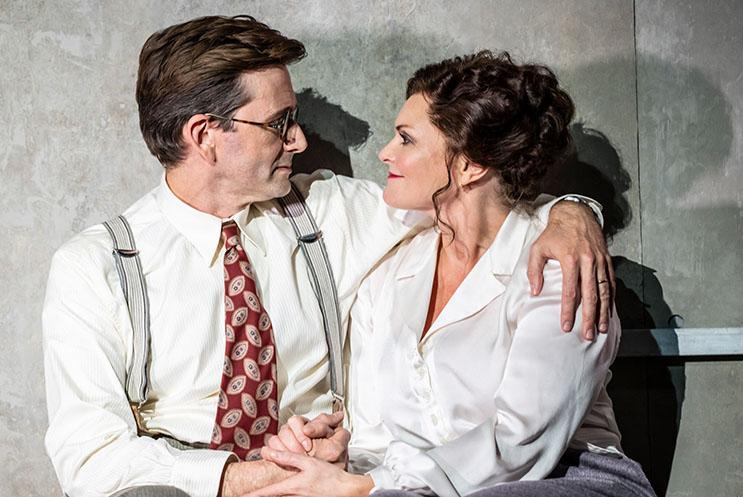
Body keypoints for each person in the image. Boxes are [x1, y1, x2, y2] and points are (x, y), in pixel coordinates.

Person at [42, 16, 614, 497]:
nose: (298, 142)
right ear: (203, 134)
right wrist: (253, 478)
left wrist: (574, 210)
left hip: (330, 479)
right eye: (278, 123)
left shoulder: (332, 211)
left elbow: (475, 192)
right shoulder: (96, 268)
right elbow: (89, 457)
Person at [247, 52, 656, 497]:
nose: (385, 153)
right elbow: (375, 431)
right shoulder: (392, 264)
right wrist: (340, 460)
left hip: (566, 477)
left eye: (406, 139)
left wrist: (366, 488)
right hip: (409, 488)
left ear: (469, 165)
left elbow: (522, 442)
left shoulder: (558, 263)